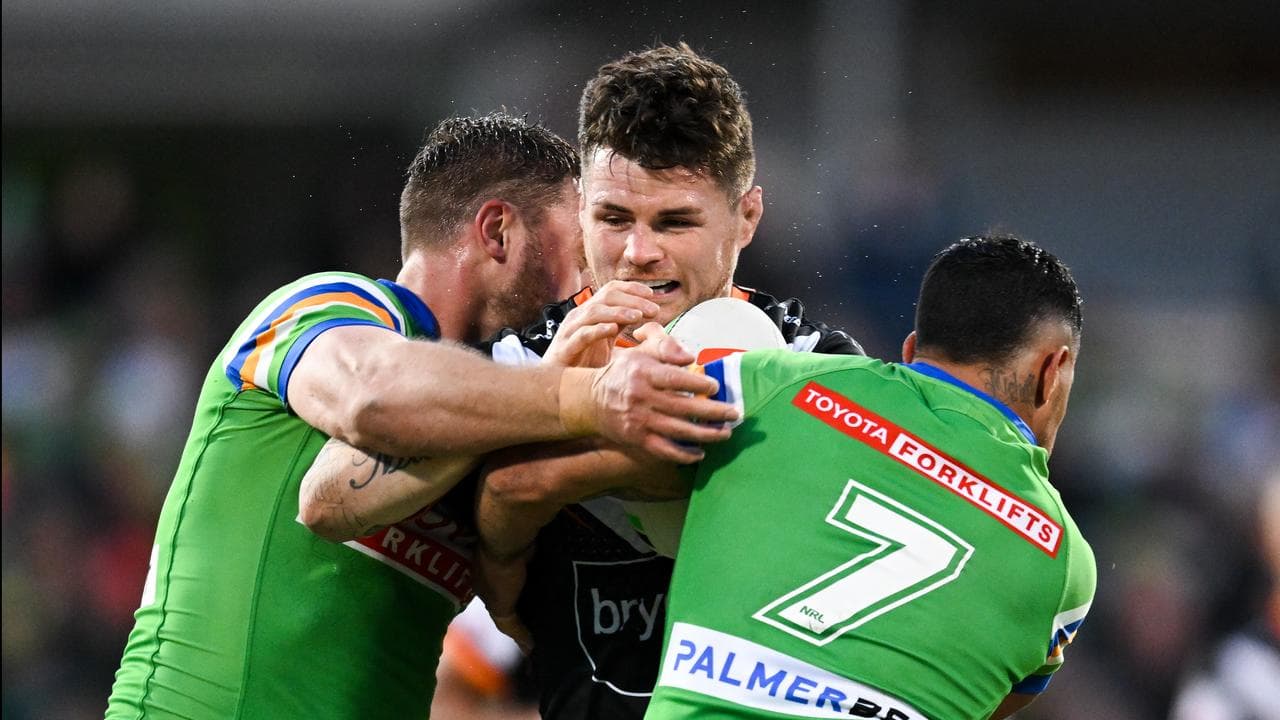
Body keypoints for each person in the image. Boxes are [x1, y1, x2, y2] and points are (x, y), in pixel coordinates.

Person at [104, 113, 737, 720]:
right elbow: (371, 396)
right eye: (576, 254)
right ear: (498, 232)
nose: (582, 287)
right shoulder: (330, 305)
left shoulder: (509, 412)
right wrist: (582, 393)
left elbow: (520, 618)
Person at [298, 44, 863, 720]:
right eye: (614, 219)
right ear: (582, 212)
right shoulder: (526, 363)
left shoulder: (816, 363)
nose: (638, 253)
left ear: (746, 218)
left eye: (676, 222)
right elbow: (327, 501)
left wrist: (532, 484)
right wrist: (548, 401)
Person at [646, 235, 1095, 720]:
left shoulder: (766, 383)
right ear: (1053, 370)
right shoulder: (1066, 564)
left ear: (911, 349)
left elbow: (603, 425)